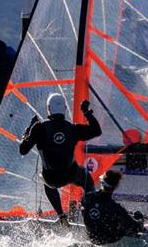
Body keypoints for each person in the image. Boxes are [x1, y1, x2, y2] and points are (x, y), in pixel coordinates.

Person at [19, 94, 102, 226]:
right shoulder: (72, 128)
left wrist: (29, 129)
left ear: (48, 109)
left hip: (51, 178)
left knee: (46, 181)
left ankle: (62, 216)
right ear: (64, 108)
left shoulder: (39, 128)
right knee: (87, 178)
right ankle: (91, 211)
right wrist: (86, 112)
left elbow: (22, 150)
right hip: (71, 174)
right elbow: (97, 131)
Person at [81, 169, 147, 245]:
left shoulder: (88, 198)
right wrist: (140, 219)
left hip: (92, 239)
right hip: (109, 242)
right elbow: (136, 227)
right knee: (135, 218)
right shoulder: (116, 208)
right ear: (115, 187)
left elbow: (84, 207)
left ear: (101, 182)